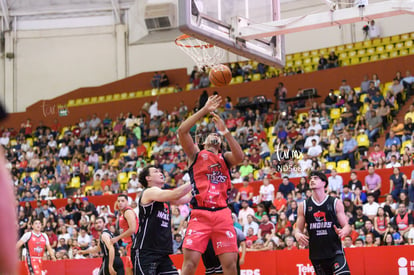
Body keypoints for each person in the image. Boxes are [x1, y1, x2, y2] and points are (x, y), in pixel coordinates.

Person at [177, 95, 244, 275]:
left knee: (230, 265)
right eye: (211, 135)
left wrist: (226, 132)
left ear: (221, 144)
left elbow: (240, 157)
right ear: (204, 142)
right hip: (200, 213)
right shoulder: (195, 155)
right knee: (190, 264)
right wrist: (204, 110)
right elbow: (182, 131)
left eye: (217, 136)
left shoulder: (225, 158)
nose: (214, 136)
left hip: (222, 213)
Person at [132, 166, 192, 275]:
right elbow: (176, 194)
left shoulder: (164, 197)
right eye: (156, 171)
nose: (160, 173)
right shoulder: (149, 192)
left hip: (162, 253)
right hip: (146, 252)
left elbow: (187, 198)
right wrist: (195, 177)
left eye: (160, 171)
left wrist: (202, 182)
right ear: (148, 178)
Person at [295, 171, 351, 275]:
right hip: (317, 254)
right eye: (311, 178)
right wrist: (297, 233)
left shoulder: (335, 202)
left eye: (315, 178)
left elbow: (347, 226)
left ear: (324, 183)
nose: (312, 180)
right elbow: (298, 228)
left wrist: (344, 231)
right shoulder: (304, 205)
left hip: (335, 251)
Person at [111, 194, 139, 275]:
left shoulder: (128, 212)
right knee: (129, 270)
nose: (120, 203)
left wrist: (117, 238)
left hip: (134, 244)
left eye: (122, 201)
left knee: (131, 270)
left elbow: (132, 229)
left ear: (127, 202)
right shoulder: (122, 213)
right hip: (130, 245)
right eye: (118, 201)